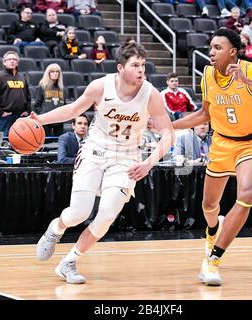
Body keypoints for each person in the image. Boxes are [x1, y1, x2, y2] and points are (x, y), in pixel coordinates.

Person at [34, 42, 174, 284]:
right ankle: (56, 229)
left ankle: (69, 261)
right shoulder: (100, 86)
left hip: (127, 158)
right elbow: (72, 110)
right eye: (135, 65)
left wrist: (149, 163)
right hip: (95, 151)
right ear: (120, 68)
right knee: (79, 212)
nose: (141, 70)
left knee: (107, 214)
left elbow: (168, 133)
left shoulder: (151, 95)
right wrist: (39, 120)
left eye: (143, 65)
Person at [172, 28, 252, 286]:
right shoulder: (207, 75)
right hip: (222, 144)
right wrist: (170, 126)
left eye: (217, 48)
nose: (211, 52)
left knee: (246, 194)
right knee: (208, 206)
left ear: (233, 52)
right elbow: (204, 115)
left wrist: (249, 83)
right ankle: (212, 230)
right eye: (210, 47)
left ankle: (213, 260)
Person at [0, 51, 31, 136]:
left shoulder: (22, 77)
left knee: (21, 142)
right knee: (5, 144)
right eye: (9, 59)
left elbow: (28, 96)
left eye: (14, 59)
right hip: (6, 118)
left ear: (17, 62)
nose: (12, 61)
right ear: (4, 62)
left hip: (21, 116)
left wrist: (27, 111)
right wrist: (1, 112)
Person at [33, 63, 66, 137]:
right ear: (48, 73)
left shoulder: (62, 89)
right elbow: (36, 106)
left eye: (57, 72)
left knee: (58, 142)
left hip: (59, 121)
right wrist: (44, 114)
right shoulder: (42, 87)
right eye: (52, 72)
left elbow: (64, 105)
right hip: (46, 121)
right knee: (46, 142)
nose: (55, 74)